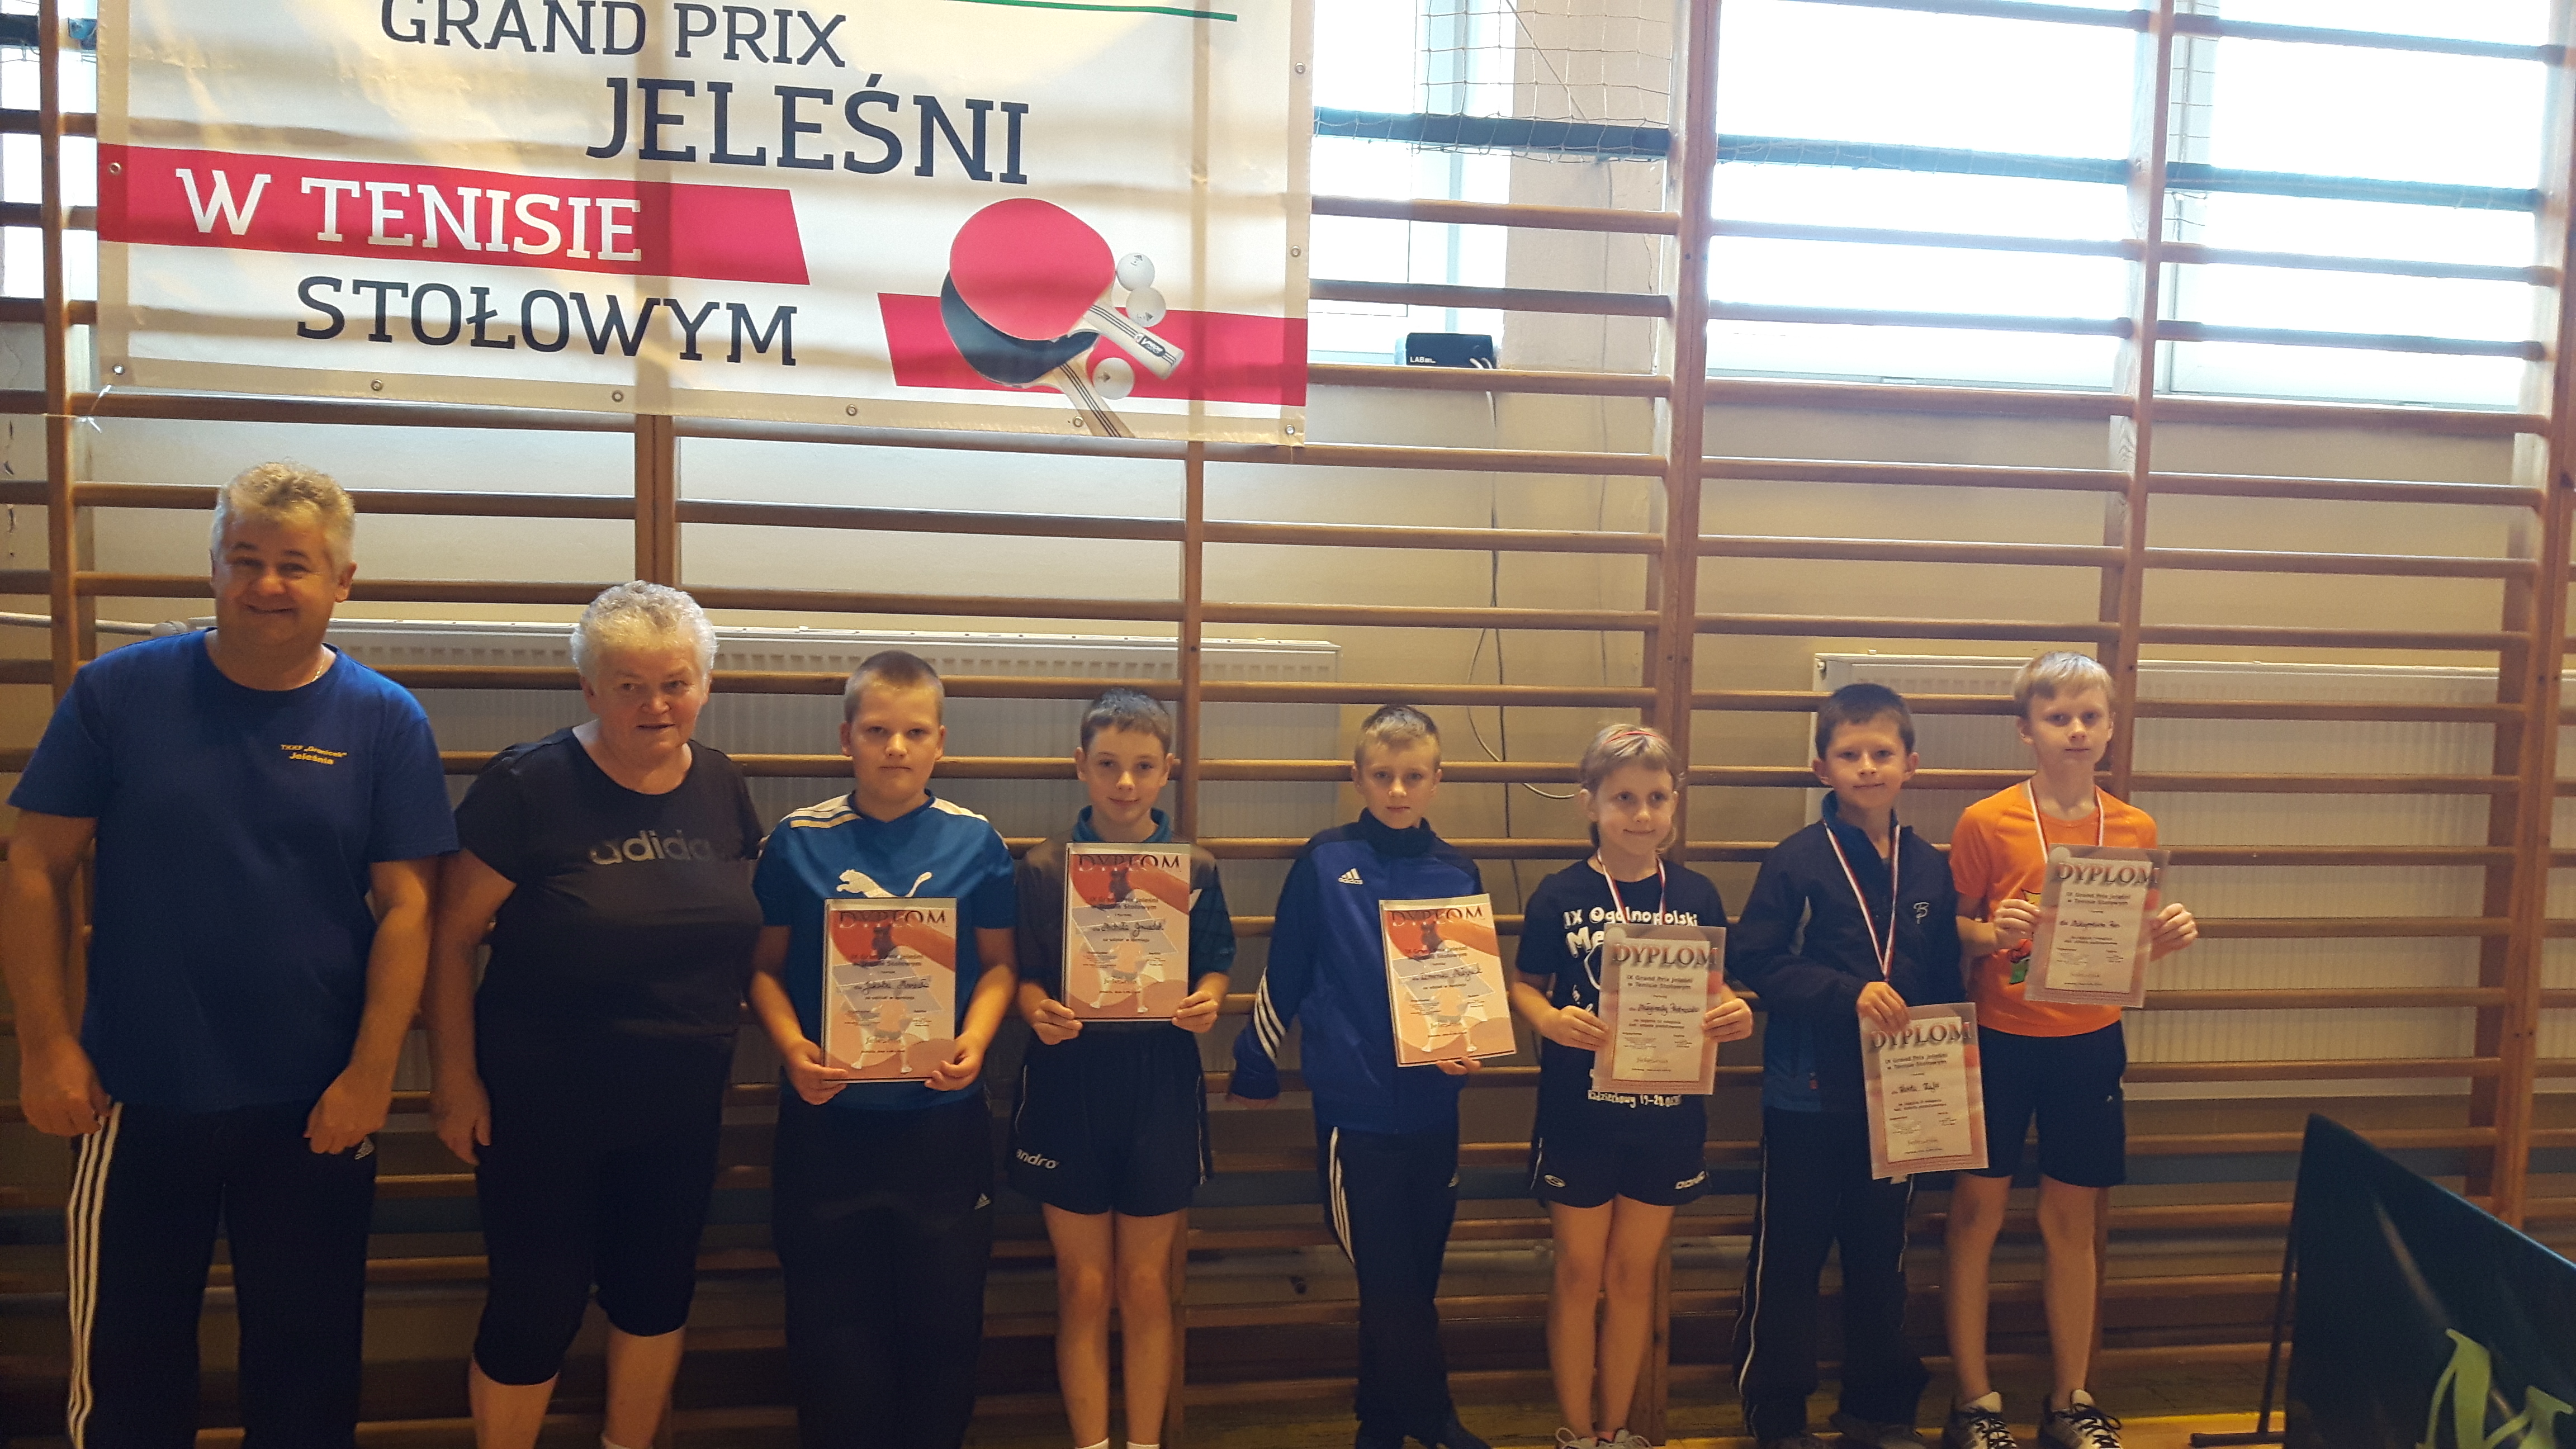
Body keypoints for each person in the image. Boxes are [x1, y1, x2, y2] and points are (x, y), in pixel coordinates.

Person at [1, 462, 456, 1446]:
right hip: (135, 1092)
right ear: (212, 567)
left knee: (308, 1378)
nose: (267, 584)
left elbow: (409, 907)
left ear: (342, 581)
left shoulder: (385, 719)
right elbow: (34, 866)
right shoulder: (119, 693)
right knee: (127, 1375)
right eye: (245, 559)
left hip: (315, 1106)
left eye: (295, 564)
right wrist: (45, 1047)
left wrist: (372, 1074)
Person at [422, 582, 764, 1449]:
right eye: (630, 686)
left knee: (656, 1296)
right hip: (543, 1107)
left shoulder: (722, 783)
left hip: (680, 1103)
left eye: (676, 683)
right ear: (590, 689)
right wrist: (454, 1079)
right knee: (536, 1304)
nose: (657, 705)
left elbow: (739, 928)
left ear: (705, 684)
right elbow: (450, 937)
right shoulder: (528, 785)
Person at [746, 649, 1020, 1449]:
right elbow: (761, 970)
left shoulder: (976, 841)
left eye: (914, 732)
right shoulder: (796, 841)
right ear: (847, 739)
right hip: (827, 1126)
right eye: (876, 731)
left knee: (945, 1326)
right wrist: (792, 1048)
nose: (896, 748)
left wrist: (974, 1040)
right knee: (830, 1331)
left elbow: (1001, 965)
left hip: (942, 1126)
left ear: (941, 742)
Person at [1941, 654, 2199, 1449]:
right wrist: (1992, 933)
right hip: (1997, 1040)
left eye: (2091, 716)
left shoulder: (2134, 828)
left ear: (2113, 727)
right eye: (2058, 717)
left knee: (2073, 1222)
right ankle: (1975, 1401)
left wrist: (2162, 940)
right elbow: (1947, 929)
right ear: (2027, 730)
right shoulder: (1987, 822)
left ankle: (2071, 1400)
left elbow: (2118, 949)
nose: (2077, 730)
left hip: (2088, 1045)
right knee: (1976, 1215)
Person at [1228, 704, 1491, 1449]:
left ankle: (1379, 1422)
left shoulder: (1457, 870)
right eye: (1383, 776)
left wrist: (1469, 1044)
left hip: (1436, 1110)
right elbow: (1285, 968)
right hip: (1356, 1113)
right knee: (1387, 1281)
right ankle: (1433, 1417)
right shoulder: (1324, 860)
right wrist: (1256, 1060)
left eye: (1413, 777)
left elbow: (1467, 986)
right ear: (1358, 778)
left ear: (1437, 780)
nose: (1397, 791)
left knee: (1415, 1276)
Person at [1727, 683, 1964, 1449]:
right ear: (1821, 768)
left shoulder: (1927, 868)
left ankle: (1879, 1409)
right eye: (1850, 754)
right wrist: (1847, 992)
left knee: (1880, 1257)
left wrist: (1950, 1082)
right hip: (1808, 1094)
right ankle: (1777, 1416)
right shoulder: (1797, 860)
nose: (1867, 767)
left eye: (1882, 753)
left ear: (1910, 764)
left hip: (1902, 1096)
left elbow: (1944, 977)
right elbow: (1756, 960)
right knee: (1790, 1258)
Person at [1510, 724, 1753, 1449]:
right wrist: (1549, 1021)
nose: (1642, 814)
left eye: (1656, 798)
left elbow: (1715, 990)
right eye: (1623, 799)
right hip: (1580, 1116)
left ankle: (1615, 1431)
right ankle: (1577, 1432)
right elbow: (1524, 985)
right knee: (1579, 1275)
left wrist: (1734, 1010)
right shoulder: (1561, 893)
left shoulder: (1698, 894)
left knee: (1633, 1277)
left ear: (1675, 801)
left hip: (1668, 1118)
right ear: (1589, 803)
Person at [1011, 688, 1237, 1449]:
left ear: (1168, 769)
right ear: (1081, 765)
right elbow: (1023, 975)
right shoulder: (1043, 868)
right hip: (1068, 1083)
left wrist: (1207, 1000)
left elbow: (1217, 963)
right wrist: (1037, 1010)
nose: (1126, 782)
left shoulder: (1194, 867)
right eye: (1108, 764)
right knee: (1083, 1287)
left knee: (1145, 1286)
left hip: (1159, 1084)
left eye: (1143, 766)